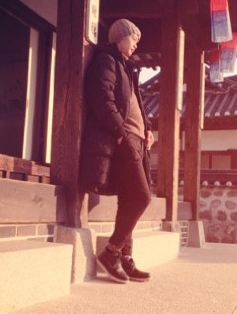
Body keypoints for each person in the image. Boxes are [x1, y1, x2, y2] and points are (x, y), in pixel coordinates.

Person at [80, 18, 155, 284]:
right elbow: (102, 98)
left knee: (129, 198)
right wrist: (121, 134)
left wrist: (148, 129)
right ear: (120, 37)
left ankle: (125, 257)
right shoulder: (107, 60)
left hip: (138, 140)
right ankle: (111, 253)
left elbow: (136, 106)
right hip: (124, 138)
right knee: (142, 197)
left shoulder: (127, 68)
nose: (136, 44)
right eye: (133, 38)